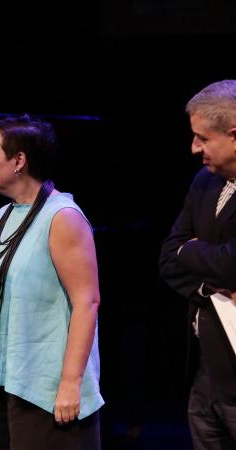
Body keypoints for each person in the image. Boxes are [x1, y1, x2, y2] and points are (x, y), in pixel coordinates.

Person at [0, 115, 103, 449]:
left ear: (19, 160)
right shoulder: (2, 216)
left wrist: (70, 382)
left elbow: (87, 302)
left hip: (42, 387)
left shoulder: (62, 217)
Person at [159, 80, 236, 449]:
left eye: (203, 138)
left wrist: (191, 252)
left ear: (234, 135)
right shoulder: (205, 181)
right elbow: (168, 258)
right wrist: (211, 283)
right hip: (208, 370)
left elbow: (232, 263)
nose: (194, 148)